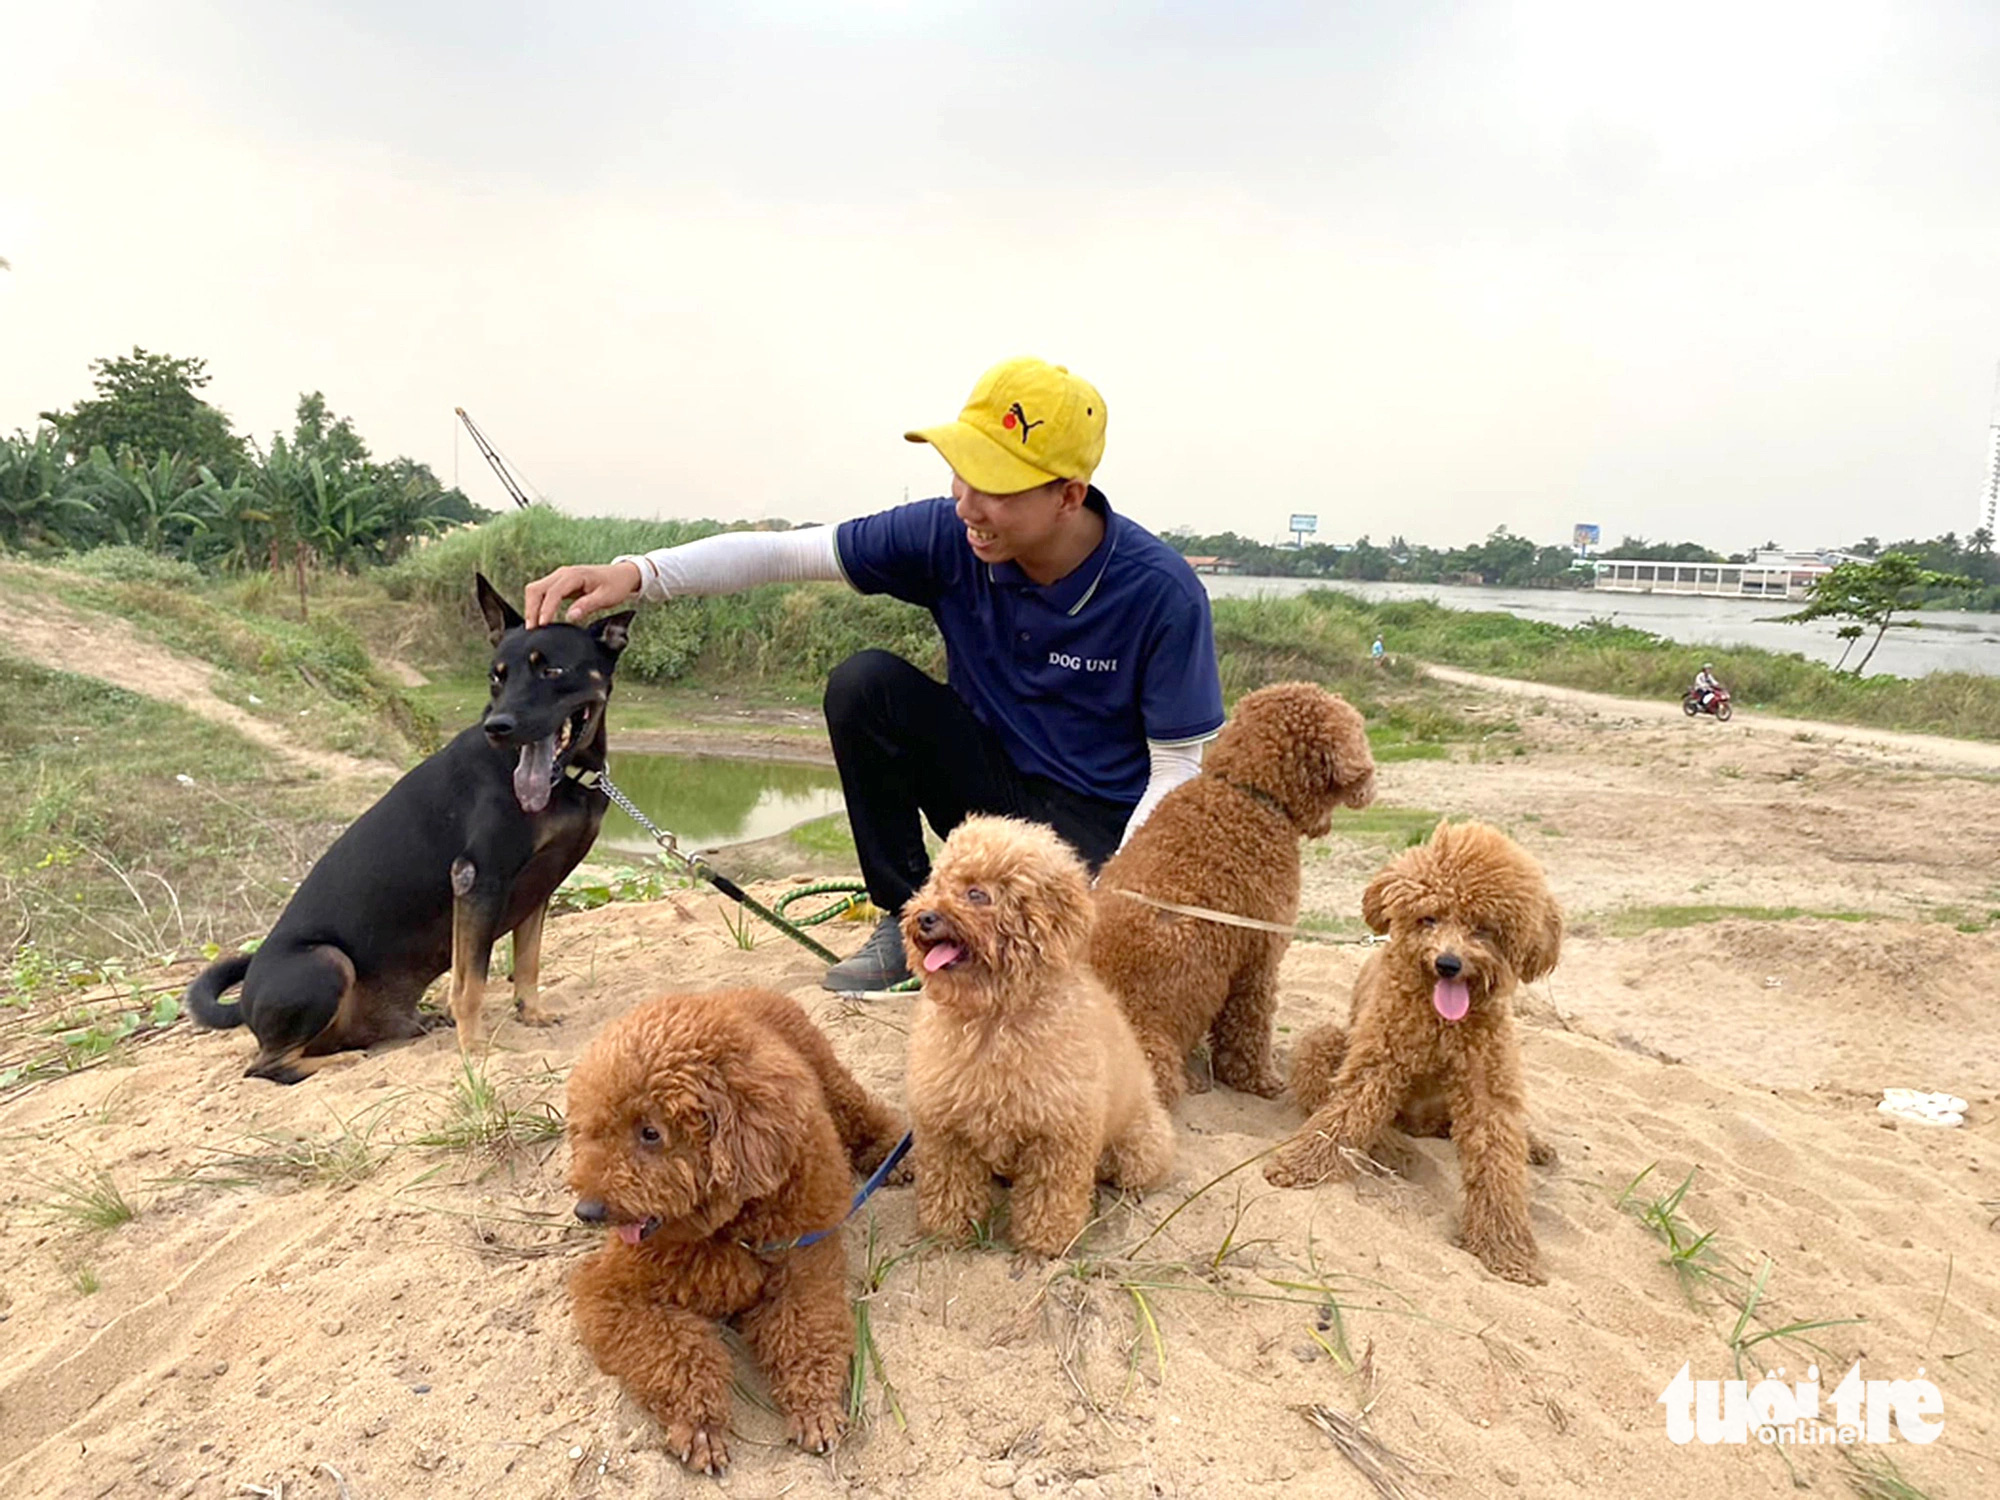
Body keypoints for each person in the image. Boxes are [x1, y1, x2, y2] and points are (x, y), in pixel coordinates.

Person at [523, 357, 1227, 992]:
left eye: (999, 489)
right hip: (986, 796)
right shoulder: (948, 537)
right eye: (962, 473)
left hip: (1089, 832)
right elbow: (783, 555)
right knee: (868, 685)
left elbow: (1176, 770)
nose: (968, 506)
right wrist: (635, 575)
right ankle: (905, 913)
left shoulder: (1159, 592)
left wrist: (1106, 894)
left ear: (1069, 496)